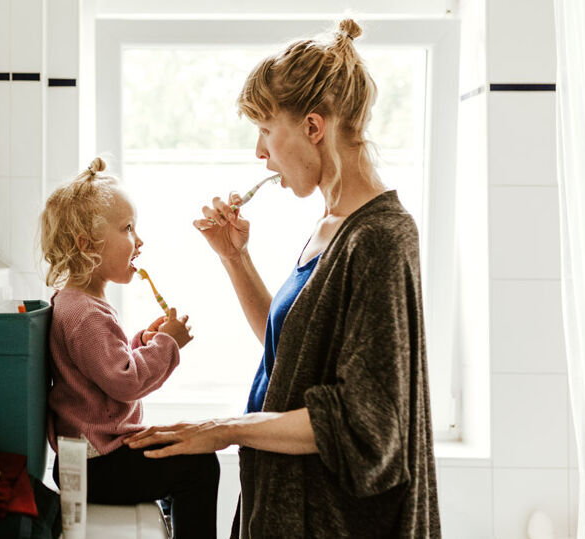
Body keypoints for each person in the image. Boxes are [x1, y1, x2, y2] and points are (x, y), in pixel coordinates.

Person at [125, 19, 440, 538]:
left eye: (266, 130)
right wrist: (235, 258)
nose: (259, 153)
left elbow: (366, 422)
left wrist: (221, 430)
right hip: (282, 505)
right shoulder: (331, 226)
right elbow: (294, 358)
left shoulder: (381, 238)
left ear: (314, 127)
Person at [39, 157, 219, 539]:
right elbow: (124, 382)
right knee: (200, 464)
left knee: (183, 450)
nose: (139, 240)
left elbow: (102, 367)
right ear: (86, 245)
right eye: (127, 228)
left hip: (88, 460)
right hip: (98, 464)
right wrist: (168, 344)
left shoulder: (75, 303)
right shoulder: (86, 313)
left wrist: (141, 343)